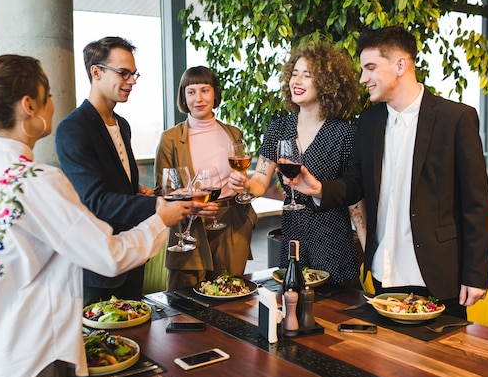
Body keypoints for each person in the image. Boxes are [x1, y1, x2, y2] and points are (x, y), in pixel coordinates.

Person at [0, 55, 192, 377]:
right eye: (48, 96)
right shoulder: (37, 180)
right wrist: (159, 219)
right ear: (29, 105)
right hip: (26, 364)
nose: (53, 106)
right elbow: (110, 256)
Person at [289, 26, 488, 318]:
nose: (363, 79)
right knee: (383, 362)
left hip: (438, 274)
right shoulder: (370, 121)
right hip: (384, 274)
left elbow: (476, 203)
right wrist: (318, 189)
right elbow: (356, 184)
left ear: (400, 65)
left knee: (441, 362)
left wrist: (475, 274)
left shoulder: (456, 118)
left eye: (370, 67)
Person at [228, 42, 367, 285]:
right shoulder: (278, 129)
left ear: (327, 84)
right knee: (292, 308)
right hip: (293, 236)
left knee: (333, 312)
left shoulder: (344, 134)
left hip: (332, 241)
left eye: (307, 75)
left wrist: (370, 256)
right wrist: (246, 186)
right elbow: (261, 181)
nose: (297, 81)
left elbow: (354, 201)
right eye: (294, 74)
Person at [56, 36, 156, 304]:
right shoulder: (73, 128)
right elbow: (96, 201)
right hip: (96, 264)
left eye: (134, 74)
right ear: (96, 72)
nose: (132, 81)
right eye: (124, 73)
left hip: (131, 256)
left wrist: (137, 192)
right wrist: (160, 207)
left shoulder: (122, 125)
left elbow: (118, 184)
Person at [155, 66, 256, 290]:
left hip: (231, 223)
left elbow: (241, 178)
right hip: (189, 226)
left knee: (230, 293)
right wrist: (191, 206)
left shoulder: (233, 134)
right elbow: (162, 190)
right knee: (186, 300)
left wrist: (242, 185)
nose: (198, 98)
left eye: (204, 90)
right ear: (183, 96)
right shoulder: (169, 139)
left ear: (215, 93)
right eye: (191, 92)